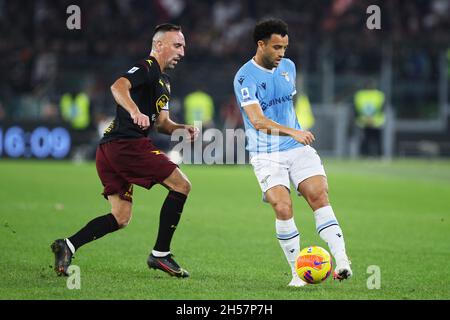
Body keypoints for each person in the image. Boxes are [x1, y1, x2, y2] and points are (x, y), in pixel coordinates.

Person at [51, 23, 199, 278]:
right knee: (181, 185)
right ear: (159, 45)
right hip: (126, 145)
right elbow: (118, 87)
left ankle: (68, 245)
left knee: (120, 216)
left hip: (110, 149)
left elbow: (162, 123)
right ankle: (160, 254)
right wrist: (134, 111)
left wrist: (182, 129)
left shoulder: (164, 81)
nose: (182, 52)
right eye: (177, 45)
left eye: (184, 46)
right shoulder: (147, 67)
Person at [233, 19, 352, 287]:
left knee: (319, 196)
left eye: (285, 47)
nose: (281, 53)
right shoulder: (244, 77)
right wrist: (293, 131)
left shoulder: (289, 67)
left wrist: (294, 134)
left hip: (296, 149)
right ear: (260, 44)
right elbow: (258, 121)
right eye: (276, 47)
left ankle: (343, 261)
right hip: (266, 152)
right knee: (282, 206)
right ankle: (298, 273)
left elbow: (285, 105)